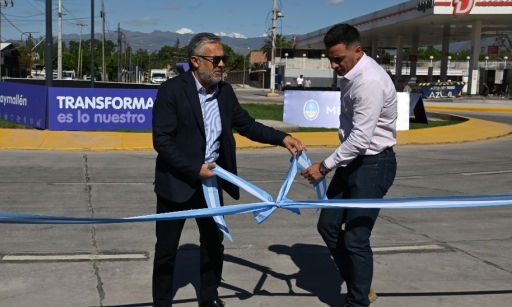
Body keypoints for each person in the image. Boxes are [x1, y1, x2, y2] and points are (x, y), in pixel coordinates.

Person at [152, 32, 306, 307]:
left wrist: (282, 138)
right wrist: (193, 168)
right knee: (166, 251)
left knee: (213, 246)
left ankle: (209, 300)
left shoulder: (225, 93)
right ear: (196, 61)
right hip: (175, 184)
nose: (222, 64)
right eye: (216, 59)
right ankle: (162, 302)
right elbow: (162, 140)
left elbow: (247, 125)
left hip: (211, 184)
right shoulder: (172, 91)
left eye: (225, 58)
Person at [300, 24, 397, 307]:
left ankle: (357, 301)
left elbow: (361, 139)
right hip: (352, 162)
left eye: (338, 59)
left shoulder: (369, 82)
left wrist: (325, 166)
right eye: (330, 58)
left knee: (356, 237)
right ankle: (361, 285)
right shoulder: (350, 73)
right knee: (328, 226)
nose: (333, 65)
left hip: (374, 163)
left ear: (357, 50)